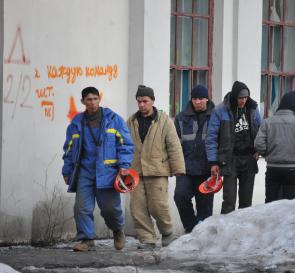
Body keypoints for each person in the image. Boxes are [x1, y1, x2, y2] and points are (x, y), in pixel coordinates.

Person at [62, 86, 134, 252]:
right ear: (83, 102)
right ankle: (86, 240)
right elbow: (69, 149)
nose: (93, 103)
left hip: (107, 173)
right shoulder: (76, 122)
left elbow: (126, 145)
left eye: (95, 99)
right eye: (89, 100)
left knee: (110, 209)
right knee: (82, 207)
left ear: (99, 99)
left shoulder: (114, 119)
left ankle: (117, 230)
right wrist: (67, 170)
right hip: (84, 172)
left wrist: (124, 166)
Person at [127, 85, 185, 249]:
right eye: (139, 101)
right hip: (135, 172)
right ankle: (147, 239)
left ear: (152, 101)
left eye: (145, 101)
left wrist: (178, 168)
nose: (141, 105)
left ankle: (167, 233)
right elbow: (123, 145)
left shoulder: (164, 120)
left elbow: (173, 145)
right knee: (137, 208)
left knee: (158, 206)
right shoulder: (131, 121)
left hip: (158, 170)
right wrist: (122, 167)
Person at [206, 81, 261, 214]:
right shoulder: (220, 110)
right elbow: (211, 137)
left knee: (246, 202)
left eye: (245, 98)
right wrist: (213, 162)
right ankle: (226, 232)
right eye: (240, 98)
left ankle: (243, 232)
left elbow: (261, 131)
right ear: (234, 96)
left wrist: (259, 149)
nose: (243, 101)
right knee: (229, 200)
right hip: (229, 159)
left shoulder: (253, 109)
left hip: (248, 158)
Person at [254, 92, 295, 202]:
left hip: (273, 167)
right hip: (294, 168)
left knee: (271, 203)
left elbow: (258, 143)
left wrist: (267, 153)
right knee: (291, 205)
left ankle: (272, 220)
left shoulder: (268, 122)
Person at [174, 85, 215, 233]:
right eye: (194, 99)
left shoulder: (215, 116)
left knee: (205, 206)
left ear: (207, 98)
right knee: (180, 197)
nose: (197, 102)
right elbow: (174, 143)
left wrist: (217, 163)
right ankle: (191, 229)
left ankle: (202, 235)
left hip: (207, 169)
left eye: (201, 98)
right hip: (186, 169)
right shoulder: (180, 118)